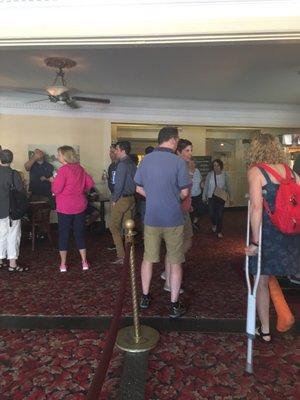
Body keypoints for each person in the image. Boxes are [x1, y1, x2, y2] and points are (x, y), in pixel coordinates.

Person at [245, 133, 300, 342]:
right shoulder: (291, 172)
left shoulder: (256, 171)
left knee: (262, 281)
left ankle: (265, 331)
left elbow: (257, 208)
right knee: (289, 274)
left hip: (268, 234)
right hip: (290, 233)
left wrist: (255, 242)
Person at [135, 127, 190, 318]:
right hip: (173, 218)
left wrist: (154, 197)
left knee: (148, 258)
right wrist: (170, 197)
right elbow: (184, 193)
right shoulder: (178, 162)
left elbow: (138, 187)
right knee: (175, 262)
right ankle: (174, 304)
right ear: (173, 140)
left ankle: (144, 296)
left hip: (151, 217)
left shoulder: (146, 159)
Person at [51, 146, 94, 272]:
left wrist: (53, 182)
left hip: (65, 207)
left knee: (64, 235)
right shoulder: (80, 168)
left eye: (59, 154)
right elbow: (90, 184)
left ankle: (63, 264)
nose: (58, 156)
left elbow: (56, 189)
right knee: (79, 234)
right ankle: (84, 262)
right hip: (80, 205)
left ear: (64, 156)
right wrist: (81, 190)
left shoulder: (63, 170)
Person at [162, 139, 194, 293]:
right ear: (179, 152)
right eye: (187, 150)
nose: (190, 153)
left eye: (191, 150)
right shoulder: (177, 166)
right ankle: (169, 280)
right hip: (177, 211)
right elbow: (177, 190)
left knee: (185, 243)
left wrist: (189, 203)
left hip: (184, 210)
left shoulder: (185, 166)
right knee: (175, 248)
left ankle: (169, 272)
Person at [0, 149, 28, 272]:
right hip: (11, 211)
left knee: (1, 235)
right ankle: (12, 264)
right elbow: (20, 191)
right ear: (11, 160)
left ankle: (0, 260)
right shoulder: (14, 174)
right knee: (13, 236)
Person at [109, 141, 137, 264]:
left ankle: (121, 256)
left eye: (116, 150)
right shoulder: (132, 163)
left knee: (113, 226)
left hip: (122, 199)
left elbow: (119, 185)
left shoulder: (122, 164)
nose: (115, 152)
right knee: (127, 228)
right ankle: (130, 253)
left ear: (122, 150)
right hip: (131, 198)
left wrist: (114, 200)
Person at [202, 159, 231, 238]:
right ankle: (214, 224)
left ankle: (219, 231)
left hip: (221, 197)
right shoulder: (210, 174)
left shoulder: (225, 175)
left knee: (220, 215)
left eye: (217, 165)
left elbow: (228, 187)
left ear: (221, 166)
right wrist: (204, 196)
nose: (216, 167)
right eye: (214, 165)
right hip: (211, 197)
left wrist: (230, 197)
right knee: (211, 214)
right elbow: (206, 186)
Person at [190, 160, 202, 226]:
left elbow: (200, 180)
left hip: (198, 194)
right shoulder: (185, 171)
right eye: (190, 163)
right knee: (191, 212)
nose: (192, 164)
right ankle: (191, 225)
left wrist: (202, 184)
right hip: (190, 196)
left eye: (193, 163)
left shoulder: (197, 171)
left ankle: (194, 223)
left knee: (198, 211)